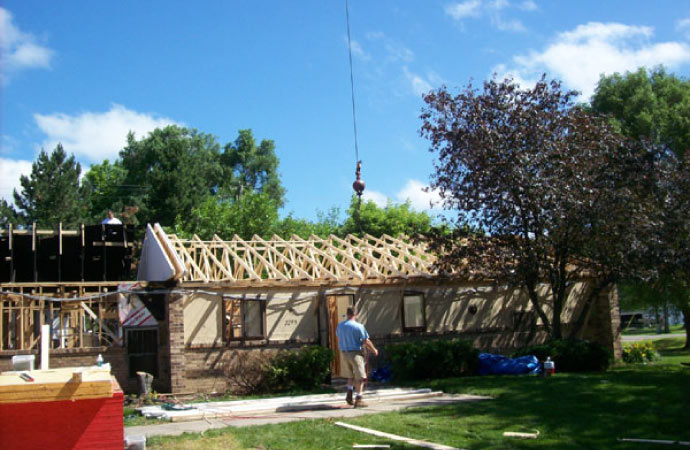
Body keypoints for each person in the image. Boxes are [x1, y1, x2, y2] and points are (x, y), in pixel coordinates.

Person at [336, 305, 378, 407]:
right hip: (355, 354)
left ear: (347, 314)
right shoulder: (359, 326)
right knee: (360, 377)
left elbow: (338, 337)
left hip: (344, 353)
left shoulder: (340, 325)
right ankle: (359, 399)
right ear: (356, 314)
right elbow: (366, 341)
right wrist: (374, 350)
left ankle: (349, 395)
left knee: (350, 376)